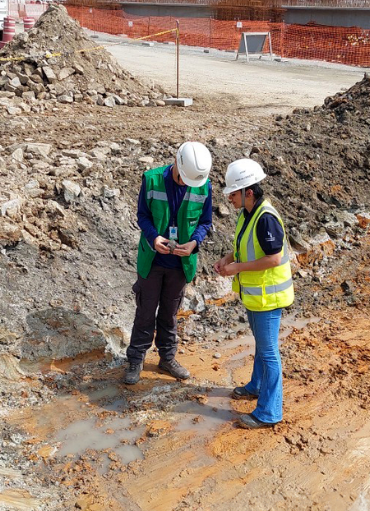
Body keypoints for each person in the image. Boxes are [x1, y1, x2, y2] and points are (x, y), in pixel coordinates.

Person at [124, 142, 213, 385]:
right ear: (177, 163)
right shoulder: (151, 180)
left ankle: (167, 357)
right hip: (153, 259)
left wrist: (195, 242)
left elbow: (205, 221)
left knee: (169, 314)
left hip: (181, 264)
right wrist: (154, 237)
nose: (185, 184)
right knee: (145, 311)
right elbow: (142, 215)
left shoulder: (203, 185)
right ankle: (136, 359)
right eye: (183, 179)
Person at [214, 159, 294, 429]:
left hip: (268, 298)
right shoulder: (248, 213)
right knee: (262, 346)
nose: (229, 198)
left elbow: (274, 258)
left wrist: (237, 267)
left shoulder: (266, 218)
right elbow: (243, 246)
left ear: (249, 191)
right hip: (255, 295)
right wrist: (227, 259)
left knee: (270, 353)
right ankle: (256, 386)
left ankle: (269, 412)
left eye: (233, 193)